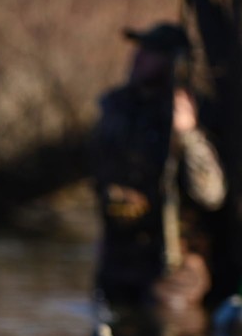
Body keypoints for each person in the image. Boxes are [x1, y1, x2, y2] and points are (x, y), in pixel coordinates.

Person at [92, 22, 227, 311]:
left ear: (172, 61)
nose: (139, 57)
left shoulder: (195, 111)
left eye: (151, 52)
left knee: (169, 312)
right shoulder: (117, 107)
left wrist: (188, 135)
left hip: (175, 258)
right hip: (120, 255)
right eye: (141, 50)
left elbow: (212, 194)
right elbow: (103, 176)